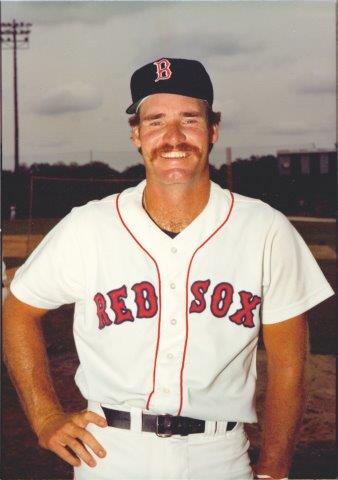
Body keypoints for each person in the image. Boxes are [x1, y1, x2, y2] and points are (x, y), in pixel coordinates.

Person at [3, 58, 334, 480]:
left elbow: (291, 362)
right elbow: (19, 308)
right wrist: (45, 415)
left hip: (221, 456)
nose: (173, 137)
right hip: (109, 452)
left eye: (189, 119)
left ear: (213, 130)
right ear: (137, 135)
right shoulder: (88, 226)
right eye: (156, 121)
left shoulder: (265, 229)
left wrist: (275, 466)